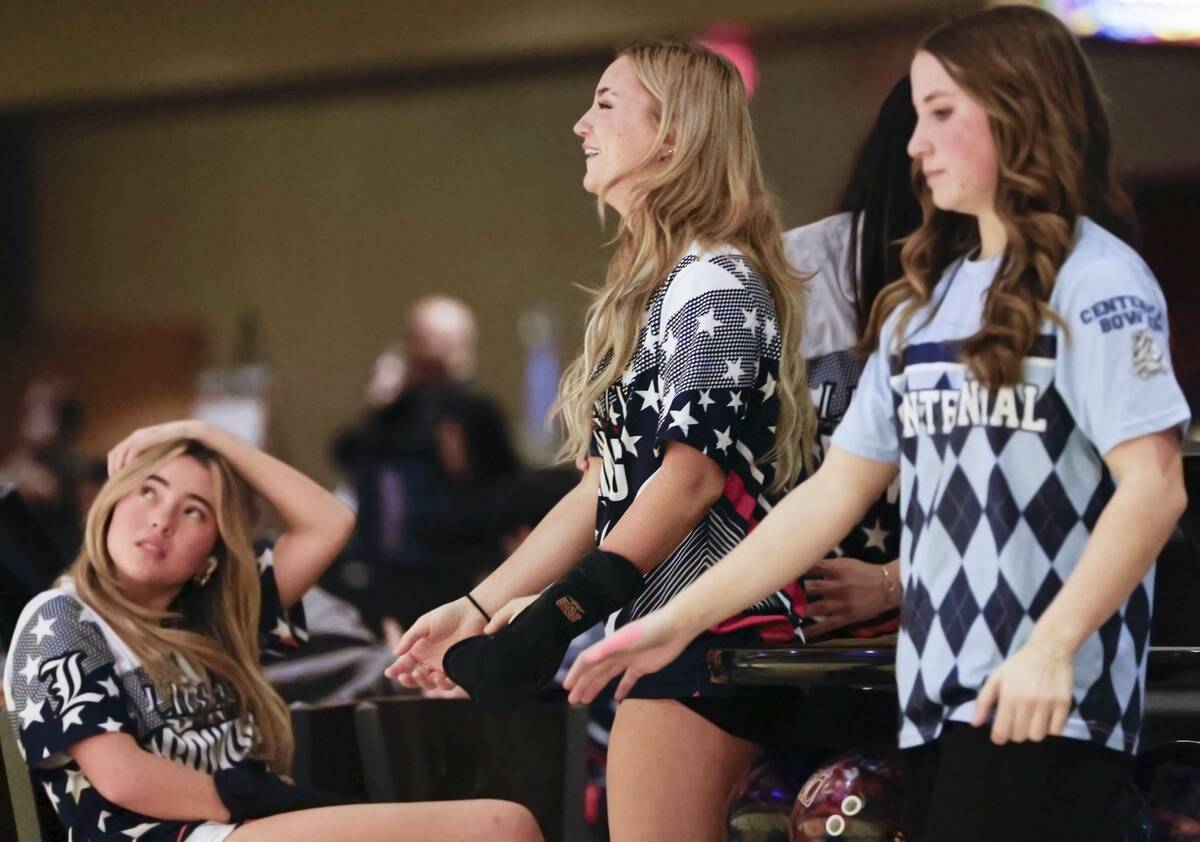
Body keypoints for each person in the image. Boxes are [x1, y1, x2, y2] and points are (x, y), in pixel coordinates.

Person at [563, 8, 1189, 842]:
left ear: (1017, 114)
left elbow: (1154, 488)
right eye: (917, 114)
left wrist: (1054, 645)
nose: (915, 145)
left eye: (942, 113)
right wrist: (673, 621)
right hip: (932, 698)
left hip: (1052, 699)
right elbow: (831, 496)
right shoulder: (921, 308)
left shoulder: (1099, 280)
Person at [390, 39, 815, 841]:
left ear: (672, 135)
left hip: (712, 639)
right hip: (671, 633)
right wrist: (479, 606)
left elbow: (688, 484)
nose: (580, 124)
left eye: (606, 104)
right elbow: (603, 490)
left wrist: (556, 616)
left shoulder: (714, 285)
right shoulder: (661, 289)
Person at [3, 420, 541, 842]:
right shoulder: (62, 616)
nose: (162, 519)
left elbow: (329, 522)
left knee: (504, 825)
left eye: (194, 512)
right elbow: (124, 779)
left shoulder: (216, 619)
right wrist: (260, 797)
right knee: (500, 828)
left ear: (210, 554)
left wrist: (207, 433)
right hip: (172, 834)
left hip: (245, 822)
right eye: (148, 491)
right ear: (111, 502)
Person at [781, 75, 921, 641]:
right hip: (809, 615)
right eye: (928, 119)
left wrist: (895, 582)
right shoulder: (798, 265)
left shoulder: (1039, 281)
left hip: (971, 625)